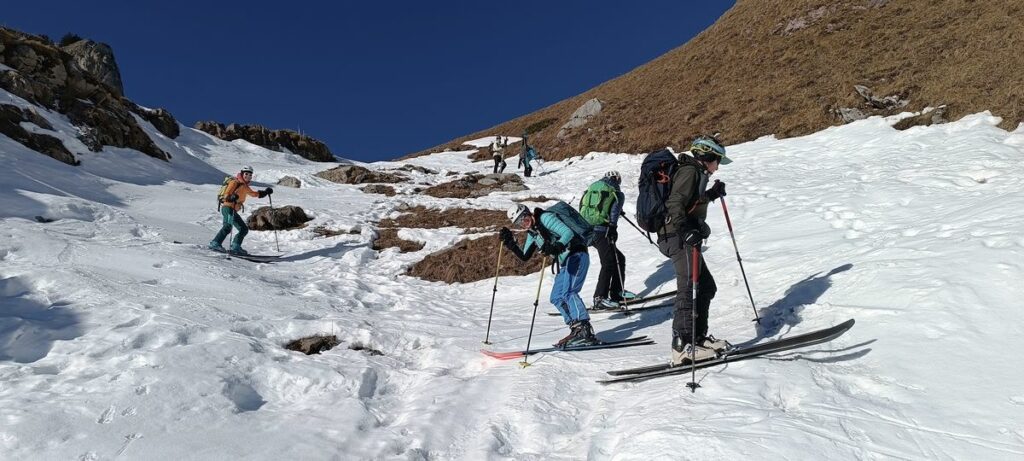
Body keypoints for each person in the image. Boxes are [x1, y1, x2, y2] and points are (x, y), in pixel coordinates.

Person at [657, 135, 731, 365]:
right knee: (689, 288)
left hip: (684, 236)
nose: (717, 166)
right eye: (716, 160)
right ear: (707, 157)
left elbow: (692, 202)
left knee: (706, 287)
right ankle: (681, 347)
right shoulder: (690, 172)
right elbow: (675, 203)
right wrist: (684, 229)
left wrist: (711, 194)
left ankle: (697, 339)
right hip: (677, 237)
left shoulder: (697, 174)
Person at [500, 204, 598, 347]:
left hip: (577, 254)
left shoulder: (545, 218)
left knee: (569, 292)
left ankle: (584, 330)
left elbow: (567, 233)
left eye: (524, 218)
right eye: (519, 222)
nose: (524, 223)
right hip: (565, 262)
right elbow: (524, 256)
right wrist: (510, 243)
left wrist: (556, 246)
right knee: (556, 297)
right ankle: (576, 328)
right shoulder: (532, 233)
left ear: (529, 213)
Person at [580, 171, 631, 309]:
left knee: (619, 258)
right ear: (616, 179)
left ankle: (616, 292)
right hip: (603, 231)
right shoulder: (615, 192)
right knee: (608, 263)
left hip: (589, 231)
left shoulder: (592, 189)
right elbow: (613, 211)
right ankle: (600, 298)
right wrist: (613, 227)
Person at [208, 166, 273, 255]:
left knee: (243, 229)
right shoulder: (234, 182)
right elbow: (226, 194)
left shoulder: (245, 186)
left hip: (233, 210)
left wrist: (266, 192)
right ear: (242, 174)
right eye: (246, 174)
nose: (248, 176)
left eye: (250, 175)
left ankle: (236, 247)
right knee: (227, 226)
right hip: (228, 208)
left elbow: (254, 194)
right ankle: (215, 243)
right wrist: (231, 197)